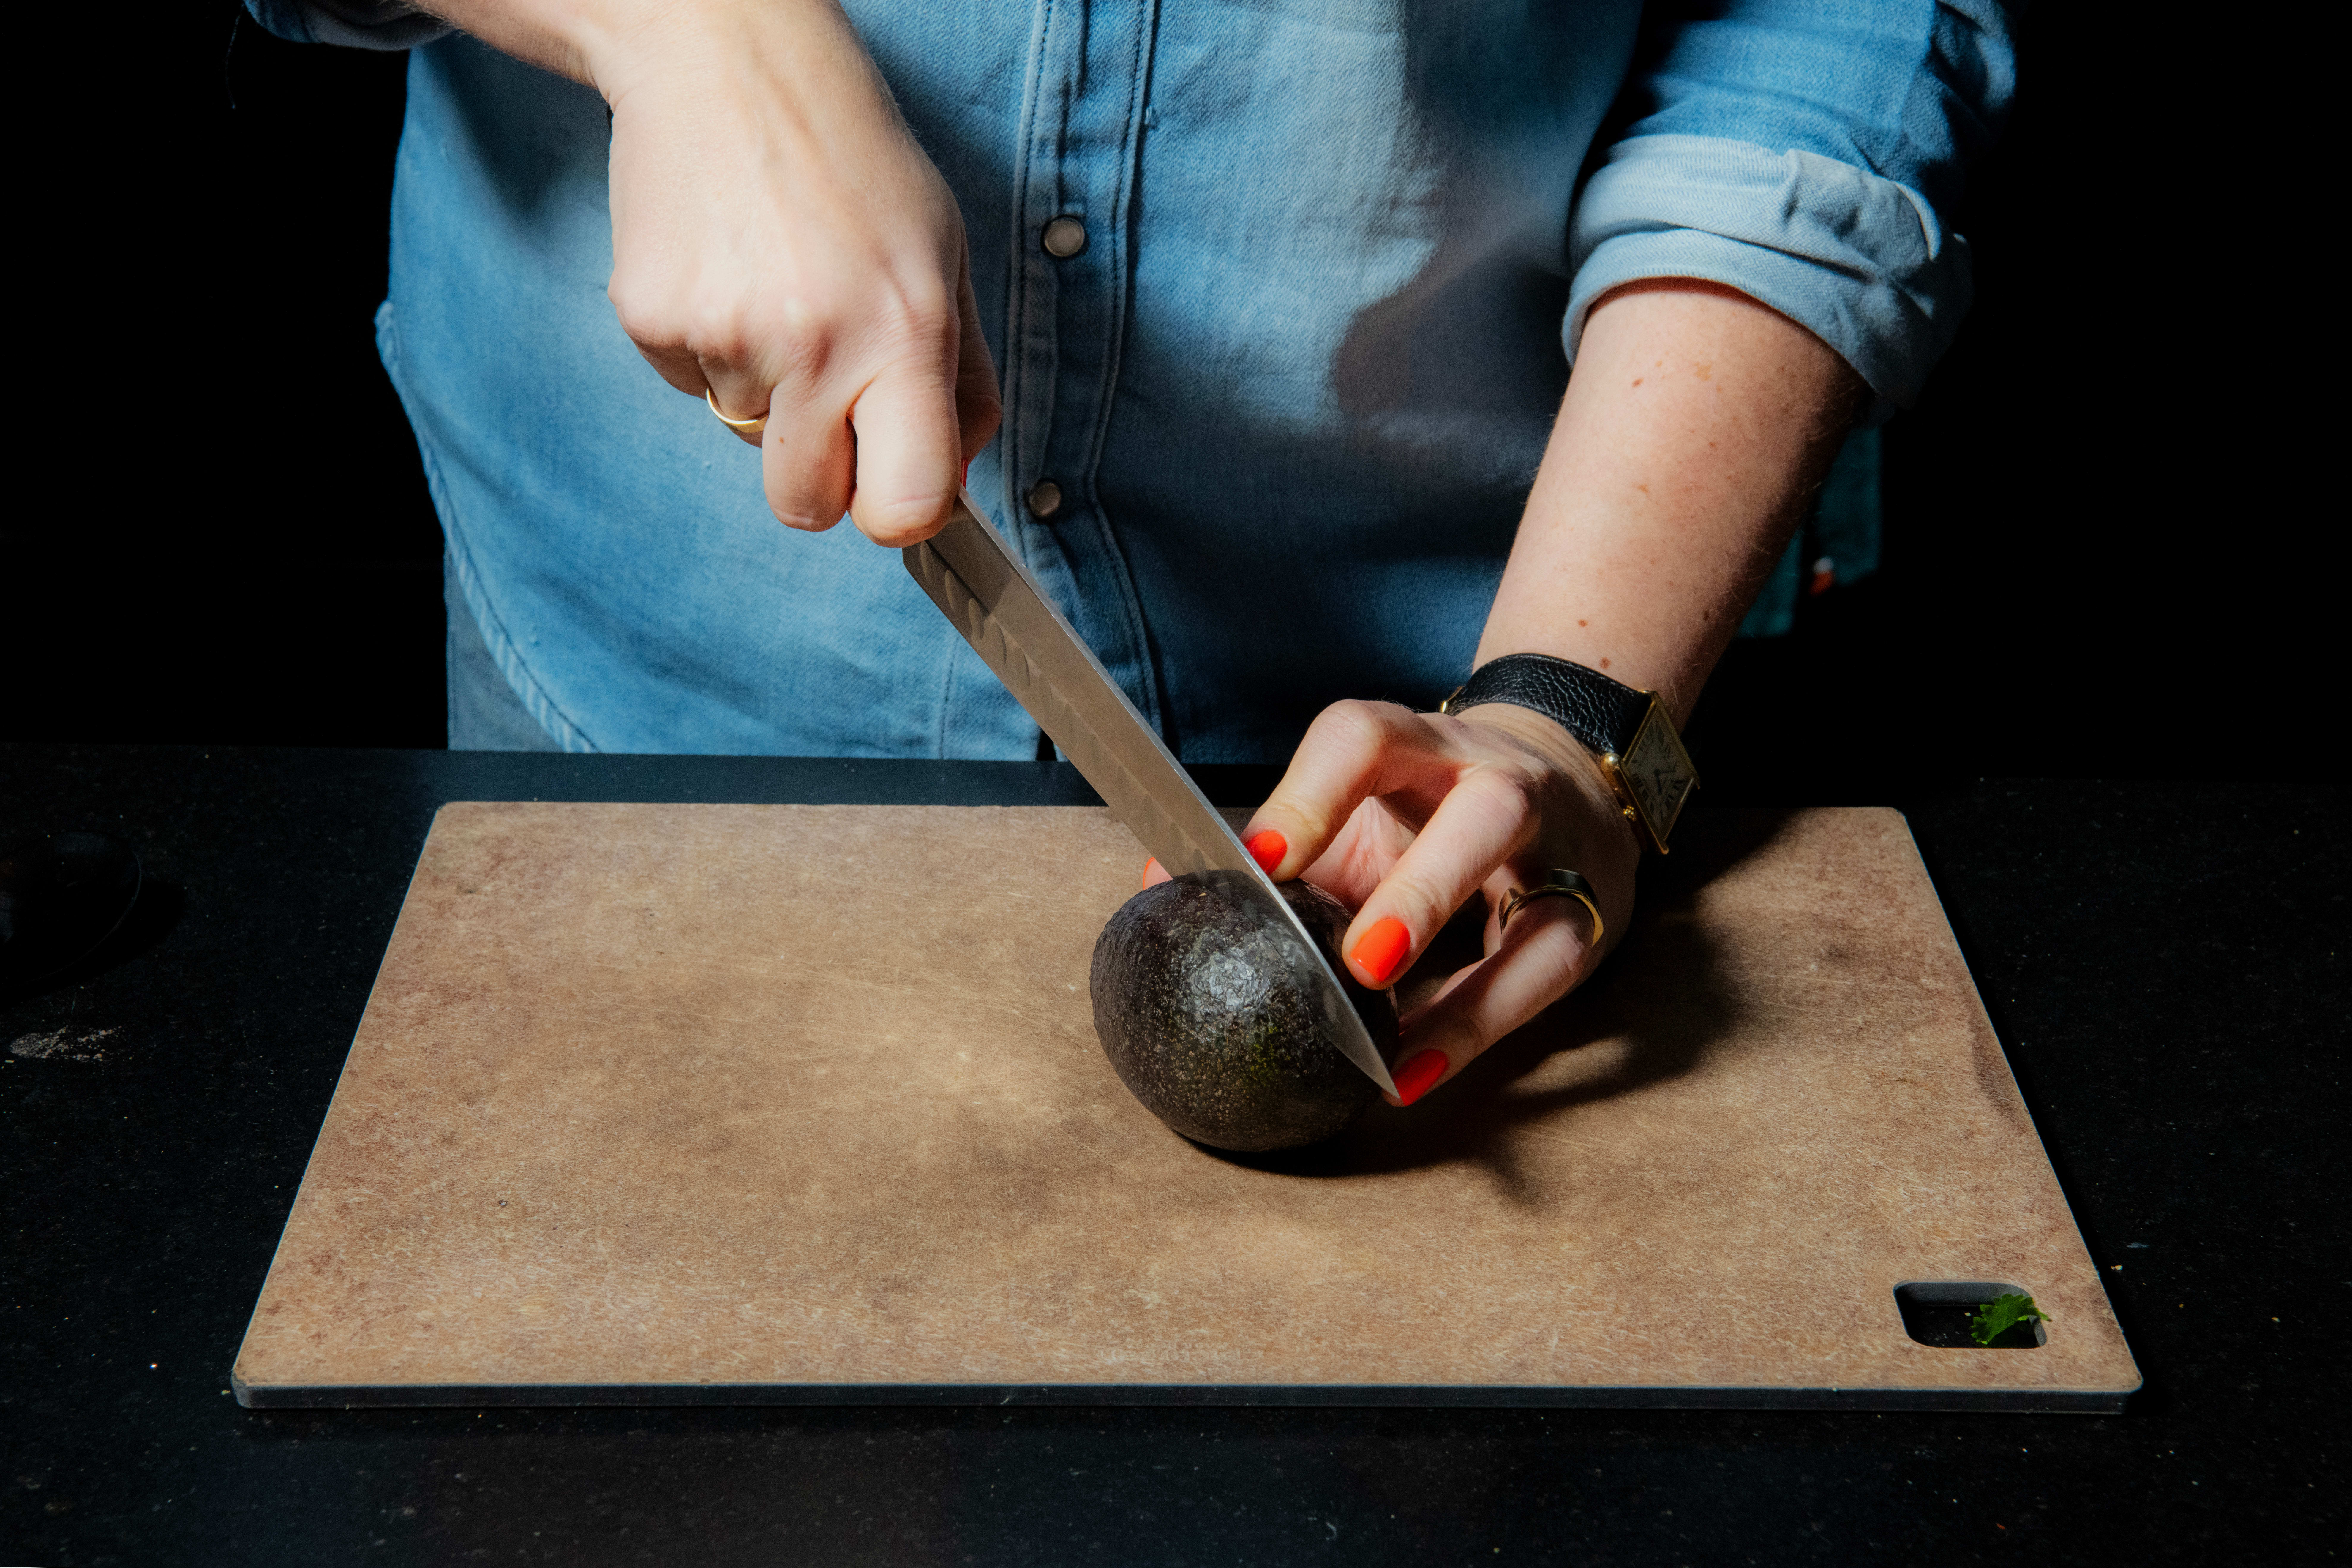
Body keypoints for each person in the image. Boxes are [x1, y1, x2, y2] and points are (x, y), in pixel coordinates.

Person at [249, 0, 2011, 1107]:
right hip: (640, 663)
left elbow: (1835, 33)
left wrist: (1565, 705)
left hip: (1441, 691)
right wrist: (680, 31)